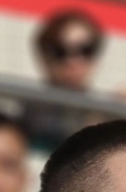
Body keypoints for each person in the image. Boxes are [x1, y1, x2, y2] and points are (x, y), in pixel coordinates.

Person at [21, 8, 106, 147]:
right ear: (44, 56)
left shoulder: (108, 110)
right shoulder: (30, 108)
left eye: (86, 50)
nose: (73, 61)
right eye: (60, 51)